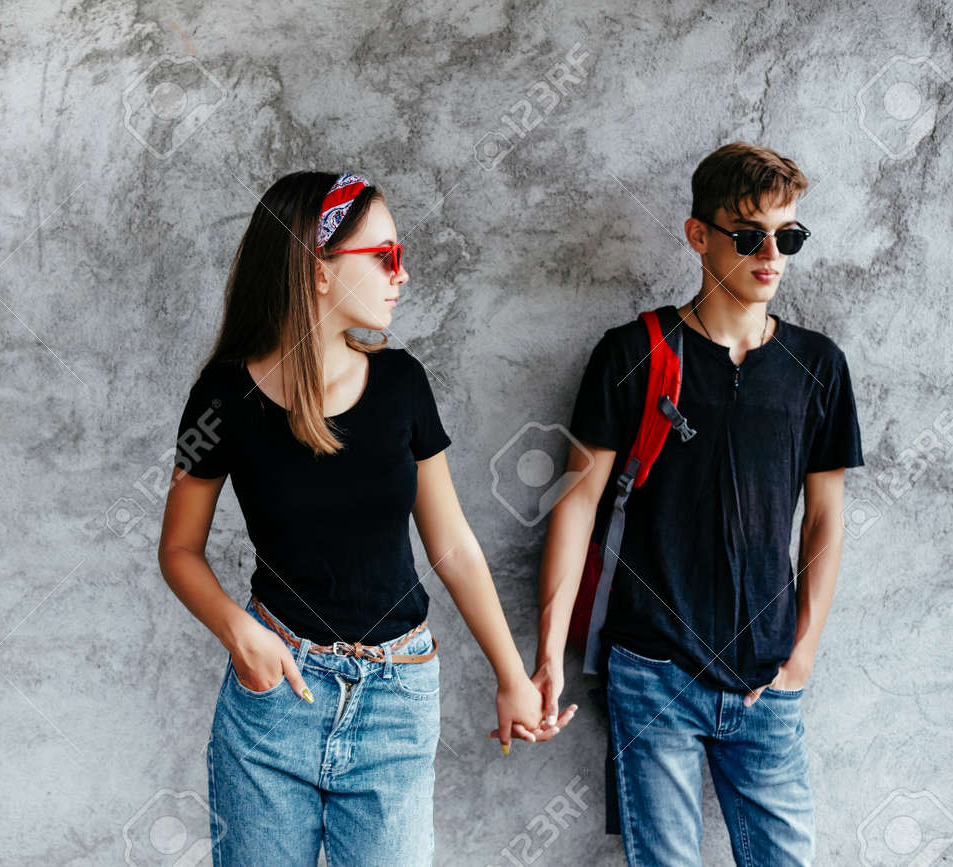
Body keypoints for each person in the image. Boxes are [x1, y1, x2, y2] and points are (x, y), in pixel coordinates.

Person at [158, 171, 549, 866]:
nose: (402, 274)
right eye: (385, 256)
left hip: (397, 699)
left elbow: (452, 545)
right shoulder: (221, 397)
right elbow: (179, 549)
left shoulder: (402, 383)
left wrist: (511, 674)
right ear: (318, 271)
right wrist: (240, 633)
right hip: (277, 695)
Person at [526, 143, 864, 865]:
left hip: (768, 680)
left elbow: (827, 518)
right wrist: (550, 650)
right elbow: (577, 503)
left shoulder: (818, 366)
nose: (771, 254)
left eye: (789, 236)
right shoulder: (631, 354)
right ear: (698, 235)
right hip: (653, 672)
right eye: (750, 235)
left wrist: (799, 657)